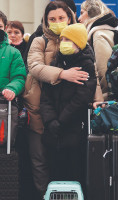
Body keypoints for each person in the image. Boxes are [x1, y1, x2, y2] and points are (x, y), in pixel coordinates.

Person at [24, 0, 102, 196]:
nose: (57, 22)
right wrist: (61, 74)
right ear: (46, 21)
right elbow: (34, 67)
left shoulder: (81, 40)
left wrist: (97, 100)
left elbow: (92, 76)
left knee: (71, 158)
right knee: (41, 157)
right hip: (41, 106)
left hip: (70, 112)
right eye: (52, 19)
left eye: (61, 18)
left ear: (70, 18)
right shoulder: (39, 40)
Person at [40, 23, 97, 181]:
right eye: (62, 38)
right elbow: (46, 97)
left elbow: (82, 97)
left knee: (73, 171)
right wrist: (51, 121)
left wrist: (61, 121)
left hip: (73, 128)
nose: (63, 42)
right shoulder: (56, 64)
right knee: (54, 172)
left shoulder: (86, 65)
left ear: (78, 43)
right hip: (53, 130)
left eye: (68, 39)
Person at [79, 0, 118, 98]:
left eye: (82, 13)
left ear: (92, 13)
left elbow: (103, 71)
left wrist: (103, 96)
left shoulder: (98, 35)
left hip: (106, 97)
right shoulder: (110, 31)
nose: (79, 18)